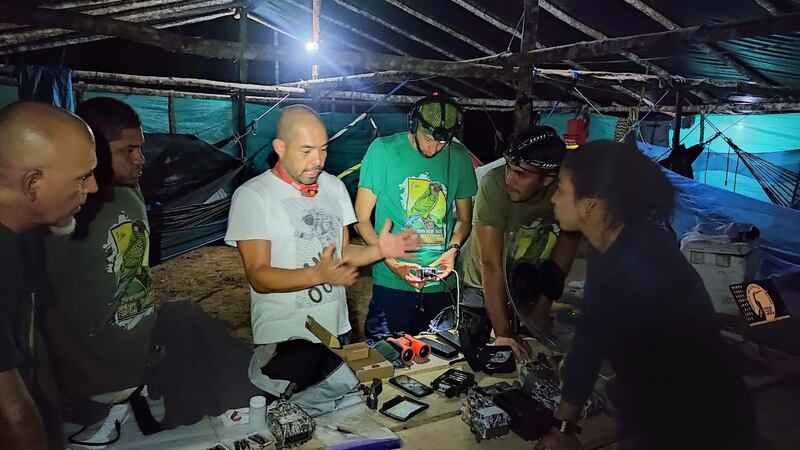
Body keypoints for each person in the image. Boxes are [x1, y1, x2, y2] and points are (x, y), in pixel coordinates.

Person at [537, 140, 754, 450]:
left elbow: (589, 344)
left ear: (590, 202)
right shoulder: (620, 241)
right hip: (674, 401)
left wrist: (562, 429)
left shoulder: (631, 262)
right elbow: (594, 334)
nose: (554, 199)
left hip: (694, 421)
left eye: (561, 188)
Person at [225, 105, 418, 345]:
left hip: (338, 330)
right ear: (280, 148)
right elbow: (259, 276)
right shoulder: (253, 196)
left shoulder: (334, 188)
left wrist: (381, 249)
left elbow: (343, 251)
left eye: (323, 149)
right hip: (285, 338)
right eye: (306, 151)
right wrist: (316, 274)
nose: (317, 160)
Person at [0, 101, 98, 449]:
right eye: (83, 177)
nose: (93, 188)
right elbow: (12, 416)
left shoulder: (18, 240)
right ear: (32, 183)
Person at [42, 97, 153, 398]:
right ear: (95, 152)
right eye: (127, 151)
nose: (140, 159)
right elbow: (45, 308)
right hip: (96, 382)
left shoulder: (130, 193)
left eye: (140, 147)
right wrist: (95, 376)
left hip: (140, 366)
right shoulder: (65, 214)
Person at [356, 95, 478, 341]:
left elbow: (465, 219)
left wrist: (452, 250)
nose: (434, 149)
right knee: (386, 359)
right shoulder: (383, 151)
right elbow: (361, 220)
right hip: (392, 285)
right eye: (429, 139)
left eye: (443, 143)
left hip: (440, 288)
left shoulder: (461, 156)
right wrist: (391, 261)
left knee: (439, 361)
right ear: (414, 126)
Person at [459, 126, 579, 361]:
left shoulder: (566, 189)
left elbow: (566, 247)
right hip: (481, 286)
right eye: (508, 168)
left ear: (548, 179)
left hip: (524, 285)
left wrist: (540, 311)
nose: (509, 179)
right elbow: (490, 263)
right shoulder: (493, 185)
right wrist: (503, 333)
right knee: (484, 359)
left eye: (521, 174)